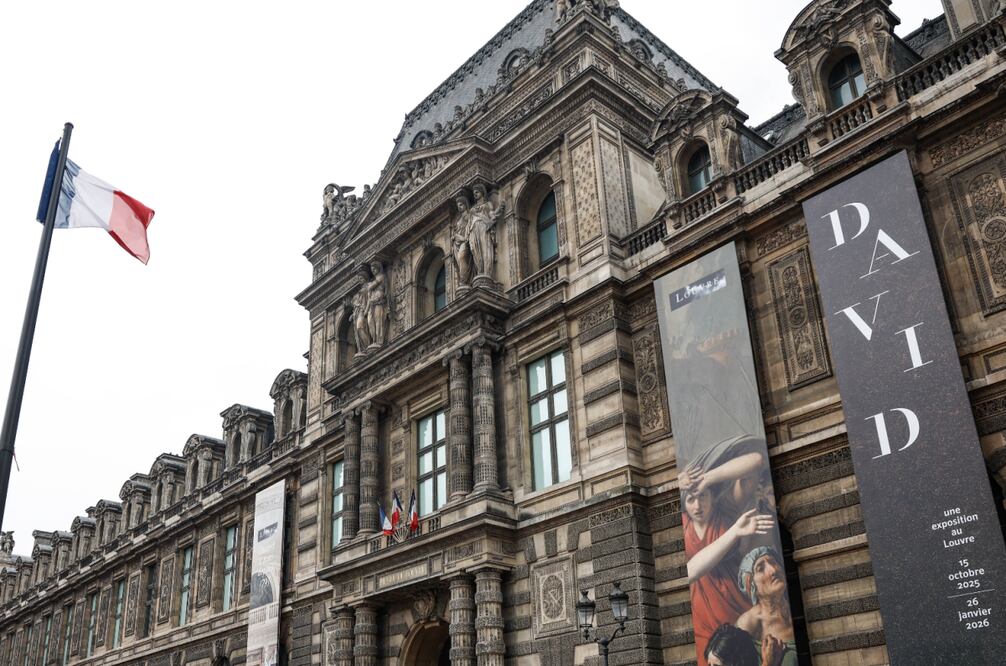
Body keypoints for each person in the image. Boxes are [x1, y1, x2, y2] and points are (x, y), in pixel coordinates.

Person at [684, 483, 774, 666]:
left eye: (702, 496)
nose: (697, 505)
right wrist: (735, 531)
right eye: (691, 498)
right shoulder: (689, 527)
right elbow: (691, 571)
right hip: (706, 622)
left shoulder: (725, 517)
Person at [736, 547, 798, 666]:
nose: (773, 570)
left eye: (773, 562)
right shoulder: (748, 624)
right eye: (761, 568)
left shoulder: (797, 603)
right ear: (752, 586)